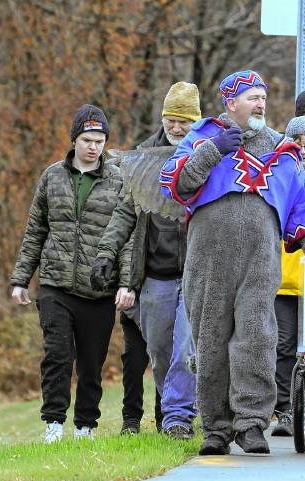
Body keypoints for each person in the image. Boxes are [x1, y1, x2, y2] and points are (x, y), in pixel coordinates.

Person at [159, 69, 305, 456]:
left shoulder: (280, 148)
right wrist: (214, 149)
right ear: (230, 102)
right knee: (211, 341)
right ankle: (216, 428)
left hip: (261, 259)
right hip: (208, 259)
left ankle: (252, 424)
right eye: (253, 97)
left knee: (257, 338)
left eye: (263, 98)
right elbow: (176, 185)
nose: (260, 104)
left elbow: (302, 203)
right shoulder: (203, 137)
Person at [10, 104, 134, 443]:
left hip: (99, 288)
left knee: (92, 364)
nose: (94, 147)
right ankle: (53, 423)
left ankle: (86, 426)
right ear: (74, 139)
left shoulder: (119, 179)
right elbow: (35, 230)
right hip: (55, 283)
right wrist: (21, 279)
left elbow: (127, 237)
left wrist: (126, 282)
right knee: (57, 356)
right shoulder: (52, 176)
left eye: (100, 140)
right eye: (87, 139)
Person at [92, 82, 201, 438]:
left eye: (184, 121)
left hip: (194, 271)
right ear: (163, 118)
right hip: (155, 273)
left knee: (186, 346)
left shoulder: (206, 157)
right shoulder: (143, 158)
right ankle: (177, 407)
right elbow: (125, 212)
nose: (177, 128)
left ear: (195, 122)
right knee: (161, 350)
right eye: (172, 119)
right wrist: (107, 253)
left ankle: (177, 418)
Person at [271, 116, 305, 437]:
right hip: (283, 277)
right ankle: (285, 410)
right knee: (284, 347)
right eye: (298, 143)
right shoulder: (279, 174)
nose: (303, 149)